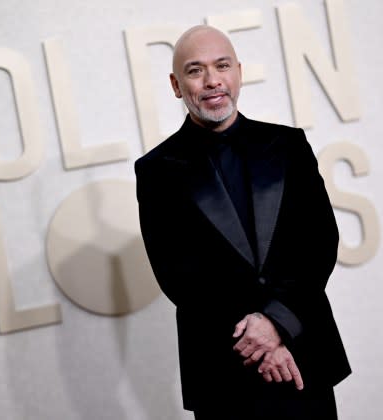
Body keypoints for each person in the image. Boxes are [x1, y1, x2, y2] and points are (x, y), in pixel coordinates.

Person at [134, 25, 350, 420]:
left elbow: (319, 243)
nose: (213, 80)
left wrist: (277, 323)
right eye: (196, 70)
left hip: (302, 353)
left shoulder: (288, 146)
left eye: (222, 65)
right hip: (223, 372)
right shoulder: (156, 171)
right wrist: (257, 336)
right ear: (176, 85)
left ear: (239, 71)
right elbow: (178, 276)